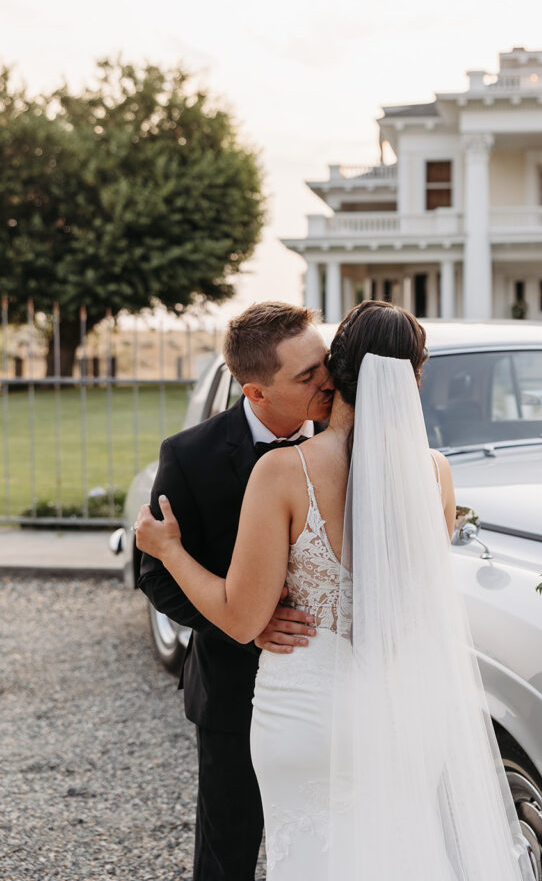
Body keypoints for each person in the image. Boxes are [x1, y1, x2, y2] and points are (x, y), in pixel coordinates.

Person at [136, 301, 535, 880]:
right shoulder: (435, 472)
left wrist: (169, 549)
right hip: (395, 713)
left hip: (303, 711)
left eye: (322, 367)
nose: (318, 379)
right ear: (411, 380)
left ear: (341, 367)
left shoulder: (281, 470)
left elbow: (242, 618)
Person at [136, 300, 334, 881]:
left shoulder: (344, 439)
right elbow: (156, 574)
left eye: (324, 364)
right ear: (256, 393)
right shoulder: (189, 455)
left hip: (327, 687)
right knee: (228, 846)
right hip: (231, 690)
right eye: (307, 376)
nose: (327, 381)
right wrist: (243, 620)